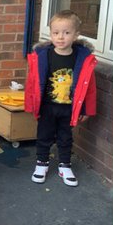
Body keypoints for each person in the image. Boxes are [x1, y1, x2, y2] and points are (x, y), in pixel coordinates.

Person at [24, 10, 97, 187]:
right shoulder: (43, 56)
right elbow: (32, 82)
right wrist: (31, 104)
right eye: (56, 33)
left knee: (66, 137)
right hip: (47, 106)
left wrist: (87, 110)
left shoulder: (82, 58)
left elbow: (90, 87)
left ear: (76, 35)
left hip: (69, 108)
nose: (61, 37)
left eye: (66, 32)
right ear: (51, 34)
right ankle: (42, 163)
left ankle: (65, 165)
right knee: (44, 135)